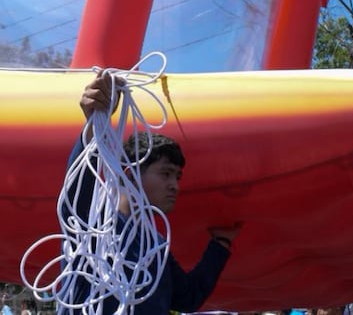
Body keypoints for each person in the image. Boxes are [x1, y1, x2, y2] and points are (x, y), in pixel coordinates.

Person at [64, 72, 240, 315]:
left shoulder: (155, 245)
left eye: (177, 177)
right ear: (130, 174)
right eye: (166, 174)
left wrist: (221, 244)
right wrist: (96, 122)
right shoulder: (94, 225)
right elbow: (75, 193)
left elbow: (188, 298)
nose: (175, 186)